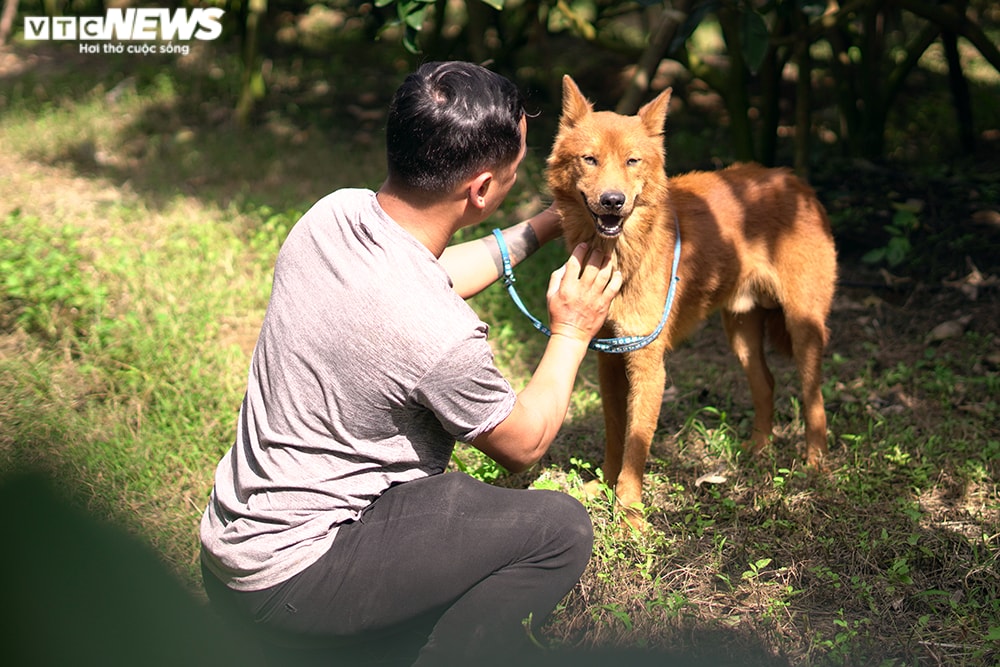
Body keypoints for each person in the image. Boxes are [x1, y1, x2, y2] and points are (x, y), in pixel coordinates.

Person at [199, 61, 622, 666]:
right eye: (514, 171)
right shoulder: (440, 339)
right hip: (297, 581)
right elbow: (524, 444)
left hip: (232, 552)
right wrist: (573, 329)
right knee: (560, 529)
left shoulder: (333, 214)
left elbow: (432, 276)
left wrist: (551, 223)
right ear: (480, 190)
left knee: (448, 495)